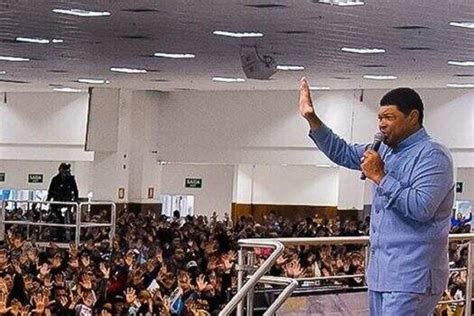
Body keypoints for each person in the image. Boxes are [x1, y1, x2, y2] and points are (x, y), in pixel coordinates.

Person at [298, 77, 454, 315]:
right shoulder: (384, 150)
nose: (382, 124)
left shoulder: (433, 155)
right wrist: (311, 118)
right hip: (382, 275)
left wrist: (380, 177)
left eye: (389, 117)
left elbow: (422, 208)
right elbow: (342, 151)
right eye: (380, 117)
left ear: (413, 117)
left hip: (413, 275)